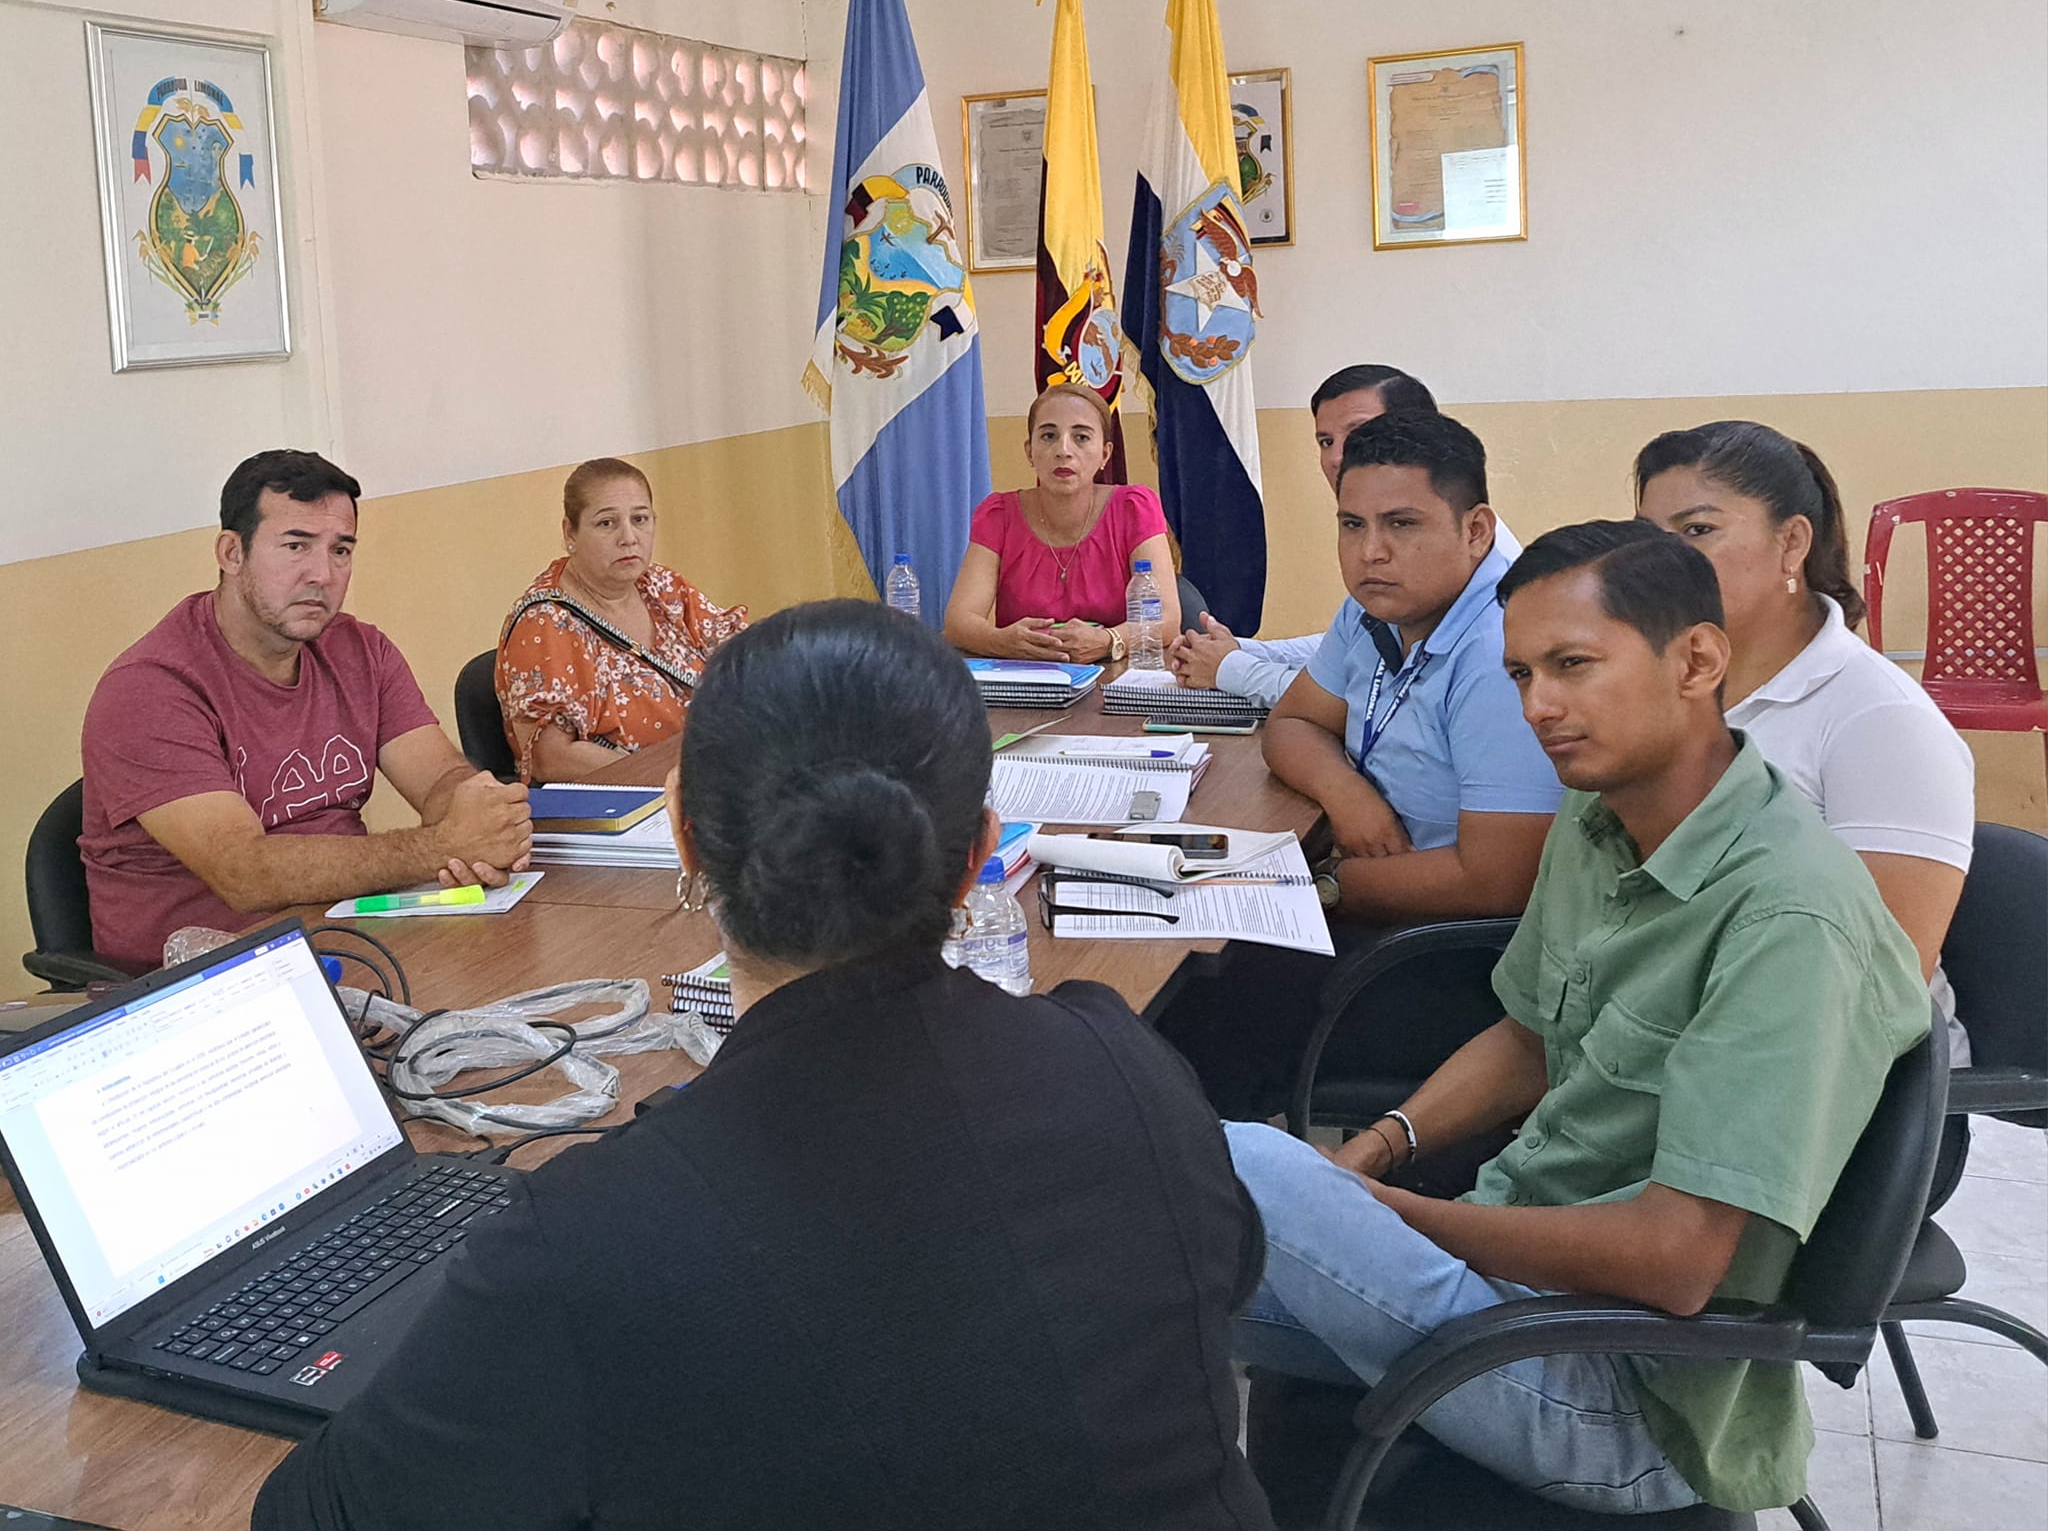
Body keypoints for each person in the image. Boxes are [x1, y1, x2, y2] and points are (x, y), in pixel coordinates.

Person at [252, 600, 1278, 1531]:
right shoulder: (1123, 1062)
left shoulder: (589, 1244)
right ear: (977, 855)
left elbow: (315, 1515)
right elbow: (1227, 1269)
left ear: (687, 841)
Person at [1226, 521, 1929, 1515]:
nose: (1537, 708)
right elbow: (1526, 1038)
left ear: (1696, 661)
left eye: (1572, 666)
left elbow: (1678, 1262)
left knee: (1228, 1159)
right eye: (1519, 674)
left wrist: (1387, 1218)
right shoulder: (1600, 818)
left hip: (1625, 1395)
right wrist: (1376, 1152)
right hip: (1507, 1292)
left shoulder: (1786, 918)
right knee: (1131, 1263)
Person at [79, 451, 532, 973]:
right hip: (201, 983)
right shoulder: (149, 689)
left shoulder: (361, 651)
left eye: (340, 550)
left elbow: (438, 778)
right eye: (296, 546)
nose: (322, 574)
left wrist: (482, 823)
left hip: (350, 938)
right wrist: (441, 846)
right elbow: (245, 873)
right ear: (232, 553)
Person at [1634, 420, 1976, 1064]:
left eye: (1698, 530)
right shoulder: (1658, 691)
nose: (1663, 563)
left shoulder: (1881, 720)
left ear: (1791, 542)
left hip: (1829, 1076)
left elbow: (1878, 979)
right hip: (1661, 1036)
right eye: (1649, 538)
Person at [1263, 410, 1559, 922]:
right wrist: (1347, 794)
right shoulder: (1372, 607)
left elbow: (1499, 884)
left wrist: (1326, 885)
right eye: (1352, 525)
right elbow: (1291, 723)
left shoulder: (1505, 648)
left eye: (1402, 524)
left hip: (1443, 939)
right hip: (1375, 892)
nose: (1370, 553)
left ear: (1476, 531)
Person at [1169, 364, 1441, 702]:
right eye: (1326, 441)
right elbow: (1345, 647)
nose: (1337, 457)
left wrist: (1229, 667)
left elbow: (1363, 700)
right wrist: (1238, 649)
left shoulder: (1446, 546)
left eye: (1359, 433)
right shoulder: (1375, 534)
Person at [496, 457, 747, 782]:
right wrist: (675, 777)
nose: (629, 537)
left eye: (640, 519)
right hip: (629, 798)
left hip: (708, 777)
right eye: (606, 523)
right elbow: (551, 758)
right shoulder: (545, 623)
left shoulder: (664, 588)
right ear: (570, 531)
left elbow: (742, 663)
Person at [944, 384, 1180, 663]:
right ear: (1030, 452)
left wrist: (1109, 641)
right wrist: (1002, 642)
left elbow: (1167, 618)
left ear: (1105, 454)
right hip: (1025, 677)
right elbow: (959, 621)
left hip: (1117, 676)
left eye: (1081, 437)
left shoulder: (1134, 508)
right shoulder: (998, 515)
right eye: (1049, 436)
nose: (1063, 450)